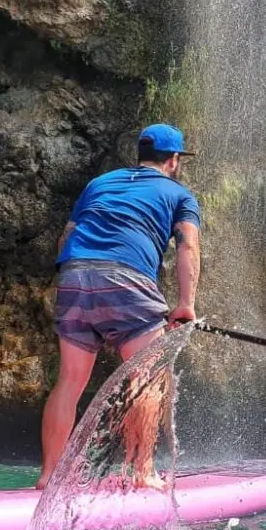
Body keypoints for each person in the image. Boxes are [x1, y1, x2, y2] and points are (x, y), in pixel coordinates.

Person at [37, 123, 201, 490]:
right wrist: (185, 305)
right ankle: (142, 473)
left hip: (75, 275)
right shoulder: (179, 194)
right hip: (128, 279)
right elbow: (188, 246)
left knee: (69, 381)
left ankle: (49, 476)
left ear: (140, 154)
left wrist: (73, 277)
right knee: (146, 379)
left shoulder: (100, 184)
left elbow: (68, 234)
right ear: (174, 160)